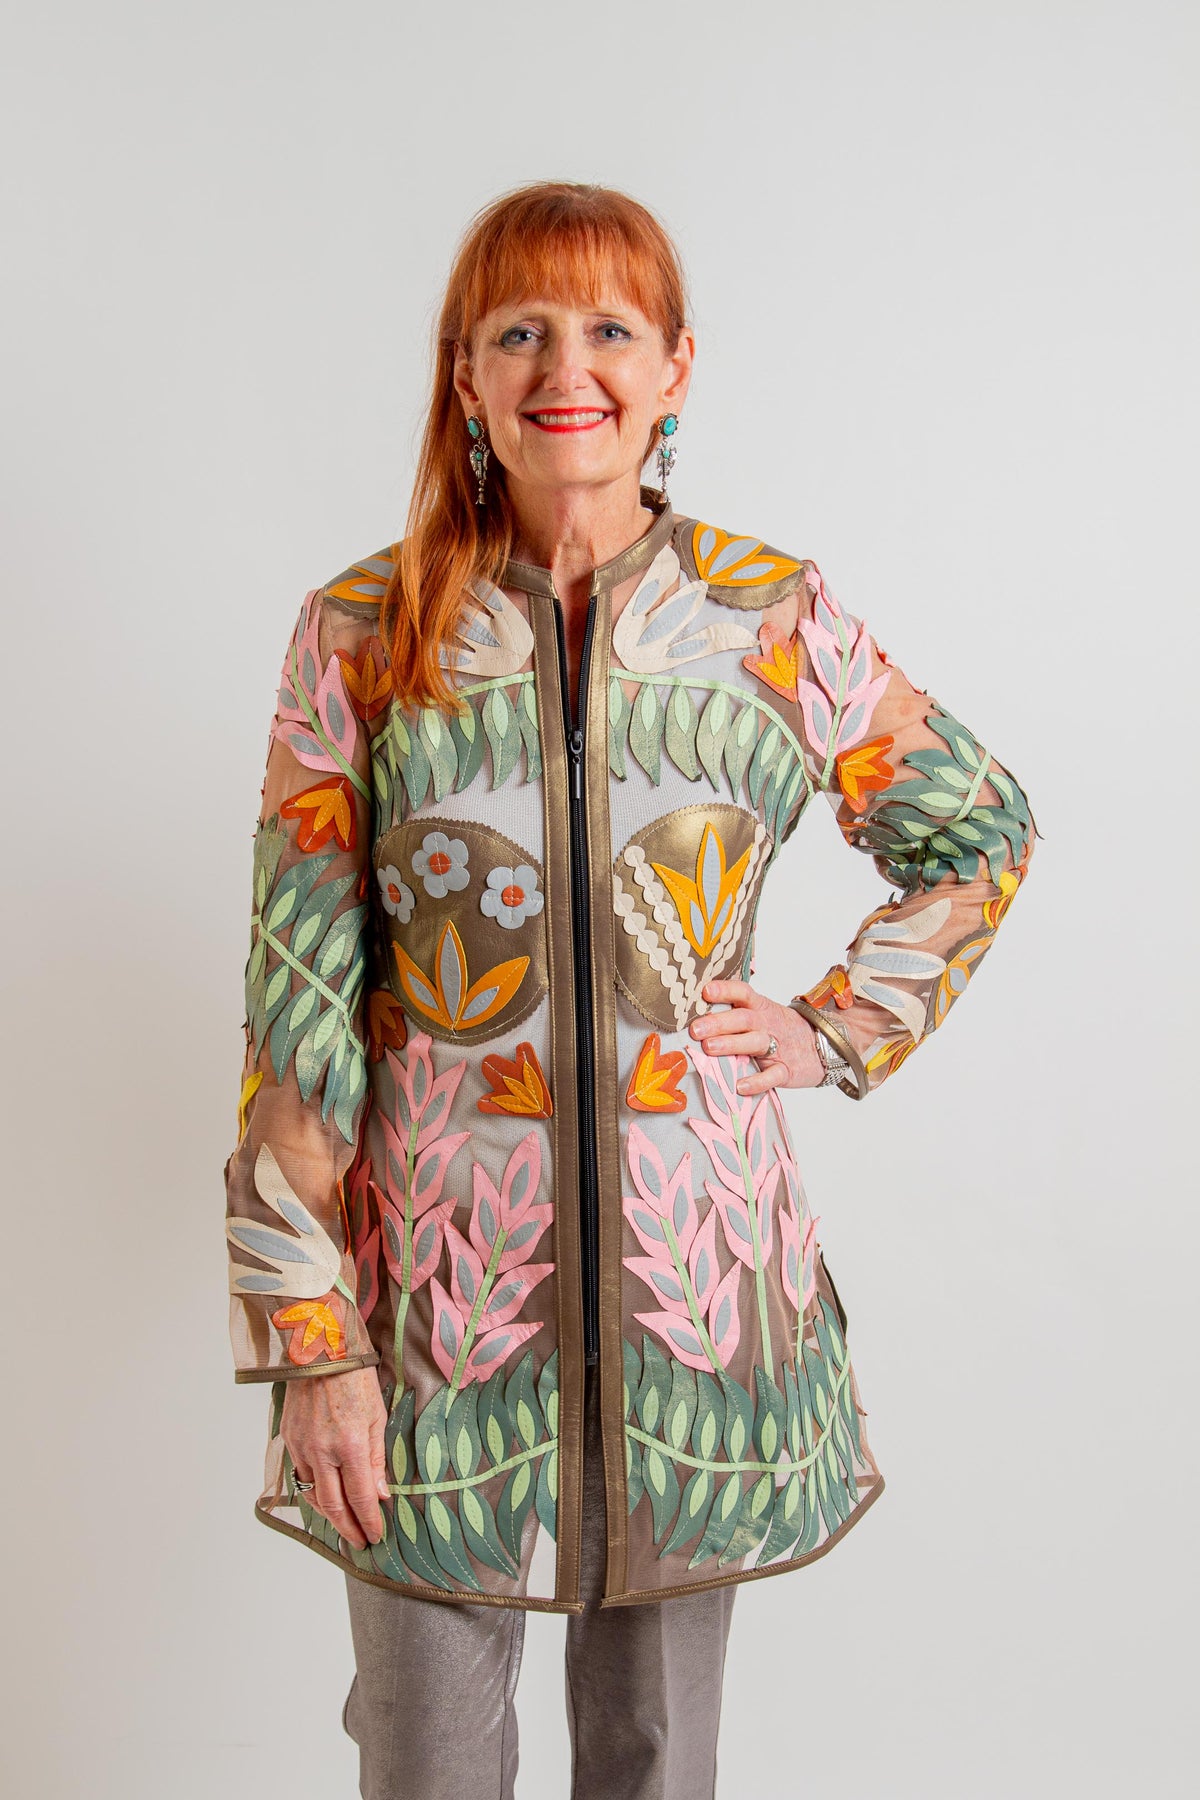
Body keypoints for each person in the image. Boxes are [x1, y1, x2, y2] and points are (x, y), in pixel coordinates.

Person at [223, 180, 1038, 1799]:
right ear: (466, 374)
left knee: (658, 1757)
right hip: (434, 1306)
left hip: (694, 1306)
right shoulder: (366, 634)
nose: (565, 367)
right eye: (519, 331)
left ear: (676, 368)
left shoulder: (769, 617)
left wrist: (832, 1026)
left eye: (608, 328)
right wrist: (312, 1341)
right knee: (425, 1754)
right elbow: (298, 1000)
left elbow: (978, 834)